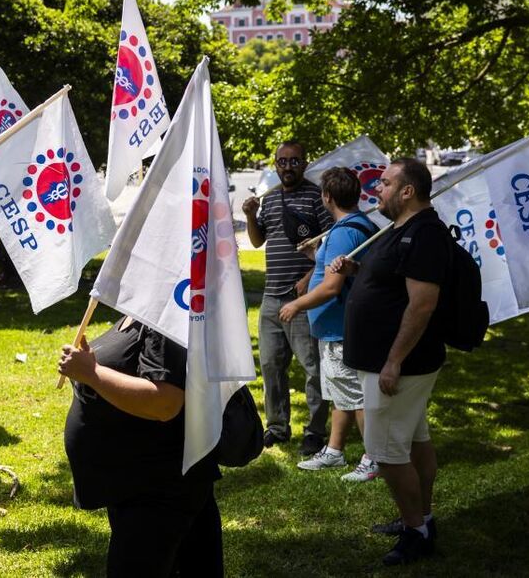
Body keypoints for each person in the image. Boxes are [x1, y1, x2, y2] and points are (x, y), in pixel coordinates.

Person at [330, 158, 448, 565]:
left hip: (398, 366)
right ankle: (421, 519)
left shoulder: (426, 233)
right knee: (414, 441)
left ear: (407, 191)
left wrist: (394, 360)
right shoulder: (401, 230)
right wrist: (356, 269)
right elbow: (394, 280)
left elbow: (422, 303)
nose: (375, 190)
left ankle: (416, 533)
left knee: (385, 452)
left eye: (383, 183)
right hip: (389, 362)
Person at [59, 317, 223, 577]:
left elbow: (164, 402)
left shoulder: (166, 315)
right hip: (138, 485)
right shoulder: (139, 310)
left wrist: (92, 373)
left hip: (158, 489)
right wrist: (86, 371)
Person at [279, 167, 379, 480]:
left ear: (326, 197)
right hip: (337, 329)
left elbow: (332, 286)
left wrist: (296, 304)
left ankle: (374, 458)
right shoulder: (353, 227)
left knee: (355, 394)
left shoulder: (344, 231)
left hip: (340, 329)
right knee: (341, 394)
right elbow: (338, 269)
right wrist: (316, 256)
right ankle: (334, 451)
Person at [242, 141, 334, 456]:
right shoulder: (268, 199)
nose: (288, 167)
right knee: (270, 364)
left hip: (304, 298)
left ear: (304, 163)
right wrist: (251, 215)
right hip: (271, 296)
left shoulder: (316, 196)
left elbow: (332, 244)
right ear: (276, 164)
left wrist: (310, 279)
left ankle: (315, 431)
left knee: (312, 367)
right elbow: (256, 241)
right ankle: (277, 428)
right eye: (282, 161)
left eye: (294, 161)